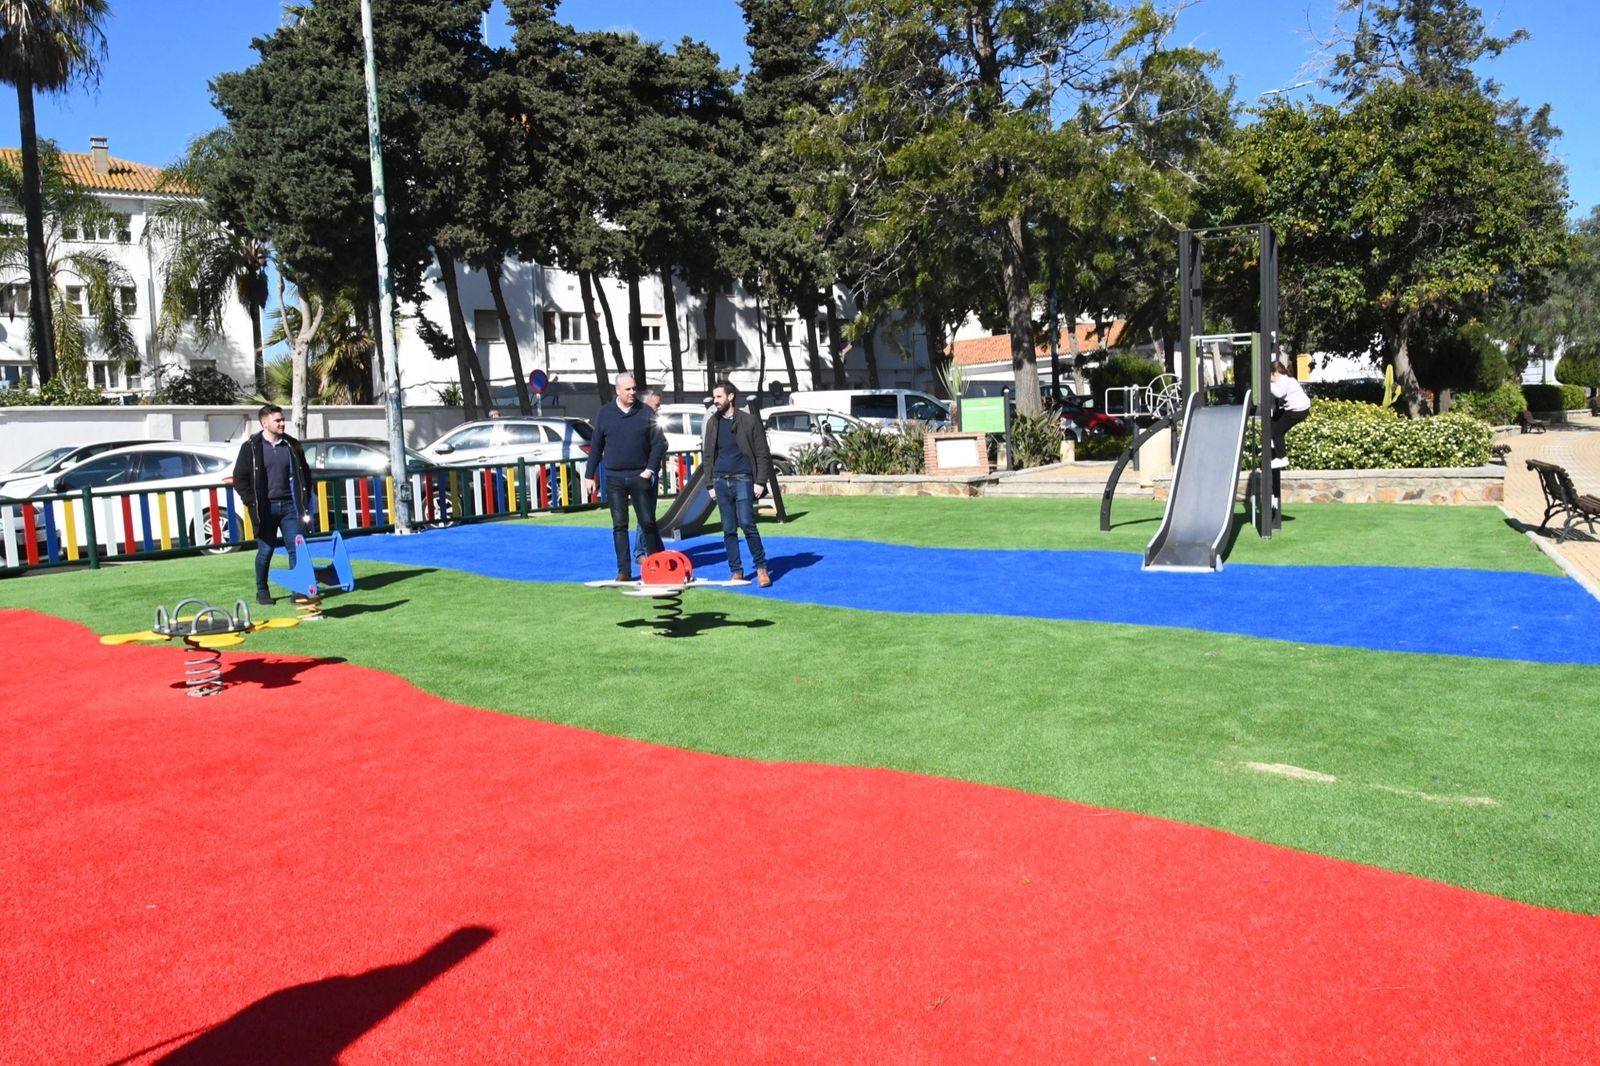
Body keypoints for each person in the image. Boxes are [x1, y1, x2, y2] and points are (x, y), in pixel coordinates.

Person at [584, 373, 667, 581]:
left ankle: (656, 567)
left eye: (634, 388)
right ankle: (624, 571)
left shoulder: (645, 412)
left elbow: (659, 443)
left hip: (640, 476)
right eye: (628, 389)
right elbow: (596, 446)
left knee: (647, 522)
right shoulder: (605, 413)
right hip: (614, 478)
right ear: (617, 390)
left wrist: (650, 469)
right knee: (619, 525)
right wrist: (589, 475)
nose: (632, 392)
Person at [232, 404, 313, 605]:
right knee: (266, 551)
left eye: (282, 419)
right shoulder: (250, 447)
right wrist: (251, 501)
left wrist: (303, 498)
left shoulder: (292, 445)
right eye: (278, 420)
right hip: (265, 509)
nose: (282, 423)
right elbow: (239, 478)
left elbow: (305, 473)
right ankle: (262, 591)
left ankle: (298, 590)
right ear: (264, 423)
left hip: (290, 507)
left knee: (296, 548)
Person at [702, 378, 774, 587]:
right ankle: (736, 571)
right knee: (728, 528)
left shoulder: (749, 421)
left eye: (719, 396)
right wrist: (710, 484)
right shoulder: (713, 422)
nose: (715, 400)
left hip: (743, 478)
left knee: (747, 523)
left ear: (731, 397)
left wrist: (760, 481)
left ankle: (761, 569)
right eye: (714, 397)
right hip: (720, 480)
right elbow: (707, 455)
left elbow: (762, 453)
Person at [632, 386, 667, 565]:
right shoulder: (639, 422)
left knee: (649, 513)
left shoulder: (653, 422)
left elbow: (662, 443)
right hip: (642, 472)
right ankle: (641, 551)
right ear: (646, 403)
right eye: (656, 405)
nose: (658, 409)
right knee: (645, 514)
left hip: (651, 471)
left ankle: (655, 548)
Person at [1268, 361, 1311, 469]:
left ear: (1275, 373)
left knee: (1278, 431)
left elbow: (1279, 393)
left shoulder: (1283, 381)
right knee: (1275, 418)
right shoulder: (1287, 379)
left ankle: (1282, 458)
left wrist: (1267, 384)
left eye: (1269, 376)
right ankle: (1274, 441)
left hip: (1297, 410)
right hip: (1299, 408)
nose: (1269, 379)